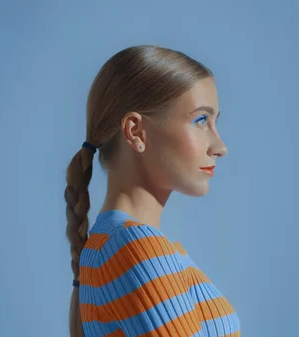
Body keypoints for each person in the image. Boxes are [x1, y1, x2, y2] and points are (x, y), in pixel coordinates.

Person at [64, 45, 240, 337]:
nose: (220, 147)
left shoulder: (118, 244)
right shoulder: (134, 247)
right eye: (200, 121)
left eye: (215, 122)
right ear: (136, 132)